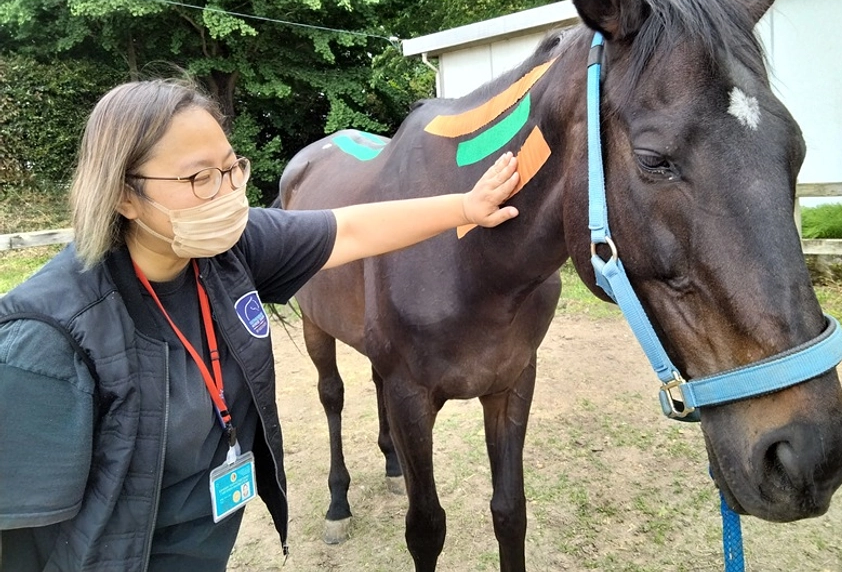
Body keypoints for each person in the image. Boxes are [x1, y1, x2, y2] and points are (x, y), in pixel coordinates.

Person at [0, 79, 520, 572]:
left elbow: (351, 228)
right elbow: (21, 542)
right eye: (199, 178)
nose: (227, 194)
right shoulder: (46, 338)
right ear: (123, 195)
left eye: (232, 169)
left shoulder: (228, 251)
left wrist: (466, 207)